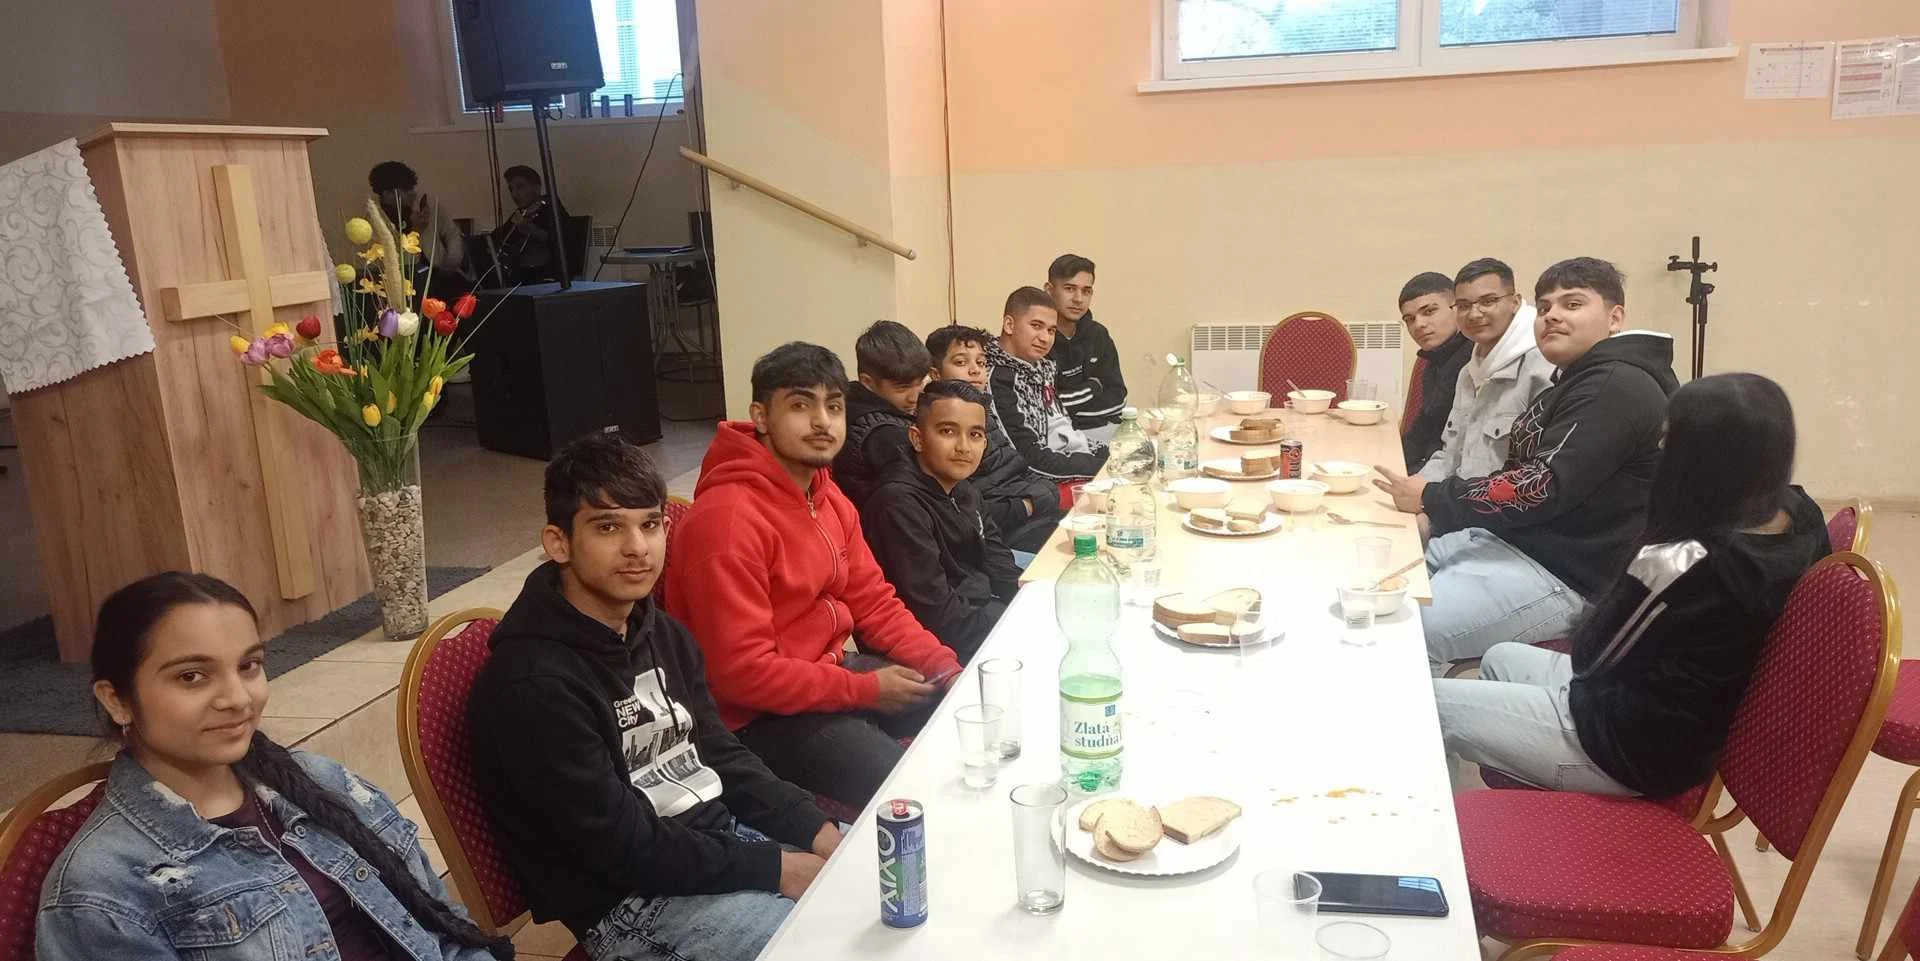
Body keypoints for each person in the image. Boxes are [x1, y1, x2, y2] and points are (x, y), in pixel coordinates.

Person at [468, 434, 836, 961]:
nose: (637, 547)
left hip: (715, 841)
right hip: (632, 901)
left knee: (890, 866)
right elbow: (624, 848)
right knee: (839, 941)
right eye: (608, 526)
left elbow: (720, 754)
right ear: (558, 543)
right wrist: (779, 868)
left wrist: (815, 830)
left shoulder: (660, 632)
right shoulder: (533, 686)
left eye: (650, 524)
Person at [37, 572, 507, 961]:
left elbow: (446, 933)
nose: (238, 699)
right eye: (192, 676)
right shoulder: (104, 888)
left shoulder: (319, 782)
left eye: (249, 665)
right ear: (117, 700)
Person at [1432, 373, 1829, 797]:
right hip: (1685, 720)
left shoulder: (1681, 559)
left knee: (1423, 704)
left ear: (1698, 460)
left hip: (1624, 747)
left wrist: (1632, 572)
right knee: (1498, 657)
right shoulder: (1801, 514)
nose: (1659, 449)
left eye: (1669, 439)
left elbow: (1589, 658)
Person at [665, 343, 962, 807]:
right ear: (761, 416)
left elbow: (875, 603)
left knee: (966, 719)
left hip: (827, 676)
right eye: (801, 405)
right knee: (909, 794)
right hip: (754, 723)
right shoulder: (727, 522)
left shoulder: (826, 495)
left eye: (834, 406)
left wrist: (945, 667)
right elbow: (739, 676)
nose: (823, 421)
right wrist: (863, 691)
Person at [1373, 257, 1679, 673]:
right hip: (1511, 540)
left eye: (1572, 304)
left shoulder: (1615, 385)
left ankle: (1434, 713)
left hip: (1561, 573)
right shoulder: (1576, 376)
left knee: (1400, 632)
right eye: (1546, 305)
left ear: (1615, 317)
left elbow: (1536, 487)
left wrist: (1432, 498)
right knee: (1375, 582)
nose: (1552, 315)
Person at [862, 379, 1024, 662]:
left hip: (980, 614)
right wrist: (1012, 631)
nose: (963, 447)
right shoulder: (897, 503)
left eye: (975, 435)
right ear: (917, 438)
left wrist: (1030, 604)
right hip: (935, 645)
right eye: (948, 431)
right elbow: (934, 611)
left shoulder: (964, 488)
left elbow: (998, 559)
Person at [1414, 258, 1555, 481]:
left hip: (1494, 510)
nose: (1474, 314)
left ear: (1515, 302)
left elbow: (1536, 479)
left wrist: (1433, 499)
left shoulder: (1542, 369)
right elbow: (1451, 455)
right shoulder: (1469, 372)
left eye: (1488, 301)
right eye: (1464, 306)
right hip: (1453, 501)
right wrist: (1418, 487)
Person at [926, 325, 1063, 553]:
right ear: (935, 374)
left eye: (980, 363)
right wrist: (1026, 506)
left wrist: (1044, 495)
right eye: (961, 363)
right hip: (1002, 538)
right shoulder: (936, 429)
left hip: (1030, 516)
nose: (975, 371)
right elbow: (965, 508)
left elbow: (1021, 469)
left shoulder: (984, 412)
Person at [986, 286, 1108, 483]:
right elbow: (1031, 460)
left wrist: (1110, 456)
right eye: (1036, 325)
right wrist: (1104, 468)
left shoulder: (1042, 368)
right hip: (1041, 483)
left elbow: (1063, 430)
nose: (1045, 338)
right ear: (1009, 325)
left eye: (1051, 330)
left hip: (1072, 462)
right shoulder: (999, 379)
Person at [831, 320, 929, 508]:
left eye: (920, 383)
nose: (915, 396)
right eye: (902, 387)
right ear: (867, 381)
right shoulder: (884, 435)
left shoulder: (852, 405)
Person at [1045, 254, 1126, 440]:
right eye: (1069, 289)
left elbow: (1118, 396)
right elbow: (1046, 407)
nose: (1078, 299)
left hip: (1104, 432)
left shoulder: (1098, 334)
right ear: (1049, 290)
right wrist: (1094, 387)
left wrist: (1072, 406)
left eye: (1086, 291)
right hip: (1056, 439)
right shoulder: (1039, 339)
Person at [1398, 270, 1472, 472]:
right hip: (1432, 464)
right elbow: (1425, 425)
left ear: (1457, 308)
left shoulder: (1476, 359)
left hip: (1453, 476)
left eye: (1429, 311)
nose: (1419, 325)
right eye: (1409, 319)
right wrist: (1391, 460)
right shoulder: (1434, 361)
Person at [367, 160, 473, 299]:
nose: (411, 194)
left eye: (410, 189)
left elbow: (452, 233)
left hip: (439, 272)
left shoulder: (426, 203)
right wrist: (415, 230)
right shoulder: (376, 218)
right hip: (406, 278)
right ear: (386, 194)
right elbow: (397, 260)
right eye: (405, 190)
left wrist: (453, 259)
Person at [487, 164, 574, 284]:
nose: (514, 194)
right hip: (521, 275)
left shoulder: (551, 208)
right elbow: (498, 237)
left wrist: (532, 230)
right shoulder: (521, 212)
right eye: (511, 189)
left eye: (520, 187)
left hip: (546, 277)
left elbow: (565, 241)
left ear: (537, 188)